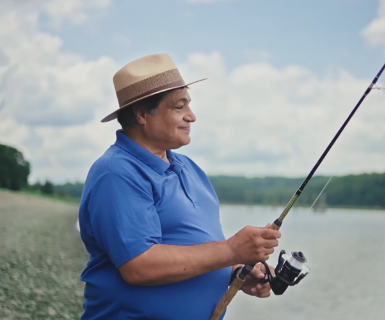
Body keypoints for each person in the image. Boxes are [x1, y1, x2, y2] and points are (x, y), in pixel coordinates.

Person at [78, 54, 281, 320]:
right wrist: (232, 250)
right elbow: (139, 266)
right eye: (178, 107)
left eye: (189, 105)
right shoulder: (116, 172)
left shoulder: (191, 168)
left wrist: (236, 271)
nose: (192, 116)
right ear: (141, 114)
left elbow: (198, 245)